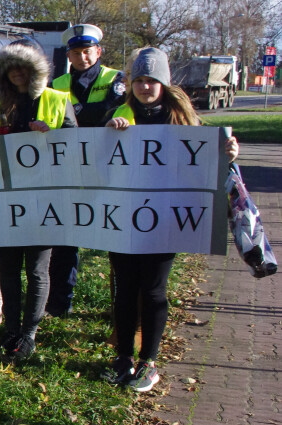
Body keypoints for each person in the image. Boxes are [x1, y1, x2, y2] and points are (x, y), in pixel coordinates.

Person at [102, 47, 240, 392]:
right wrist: (108, 132)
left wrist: (228, 153)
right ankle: (123, 356)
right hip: (124, 216)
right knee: (124, 289)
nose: (145, 87)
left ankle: (148, 361)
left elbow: (207, 161)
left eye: (151, 80)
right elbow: (98, 161)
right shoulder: (118, 114)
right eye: (139, 80)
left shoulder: (182, 121)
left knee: (152, 289)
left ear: (163, 83)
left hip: (165, 219)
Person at [0, 39, 78, 359]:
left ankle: (29, 335)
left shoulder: (57, 100)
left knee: (36, 270)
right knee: (8, 268)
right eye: (11, 68)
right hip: (7, 197)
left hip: (44, 199)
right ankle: (11, 331)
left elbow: (79, 148)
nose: (17, 73)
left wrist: (51, 134)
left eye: (23, 66)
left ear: (35, 68)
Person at [46, 24, 128, 317]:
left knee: (115, 237)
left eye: (87, 51)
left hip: (108, 167)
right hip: (69, 169)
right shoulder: (57, 83)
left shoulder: (116, 79)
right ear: (68, 55)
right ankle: (59, 303)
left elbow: (116, 114)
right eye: (76, 53)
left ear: (98, 51)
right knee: (64, 238)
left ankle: (121, 306)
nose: (82, 57)